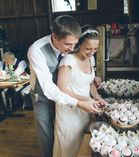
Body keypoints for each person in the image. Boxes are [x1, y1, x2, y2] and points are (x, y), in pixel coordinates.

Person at [27, 15, 101, 157]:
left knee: (62, 131)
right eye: (68, 45)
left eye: (75, 44)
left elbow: (77, 65)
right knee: (47, 135)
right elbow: (49, 89)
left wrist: (90, 77)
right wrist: (80, 102)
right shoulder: (36, 50)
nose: (72, 48)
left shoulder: (71, 44)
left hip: (65, 95)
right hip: (43, 95)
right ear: (54, 37)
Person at [53, 26, 106, 157]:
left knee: (83, 142)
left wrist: (97, 97)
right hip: (68, 109)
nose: (91, 52)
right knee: (69, 143)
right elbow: (62, 89)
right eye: (88, 48)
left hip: (84, 107)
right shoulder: (68, 61)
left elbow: (89, 83)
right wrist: (86, 99)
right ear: (79, 44)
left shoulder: (90, 59)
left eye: (95, 49)